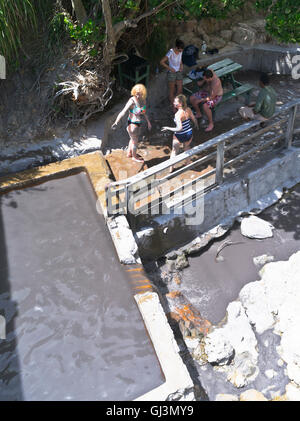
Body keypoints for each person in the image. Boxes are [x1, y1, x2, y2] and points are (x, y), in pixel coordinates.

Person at [111, 83, 151, 163]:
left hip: (137, 123)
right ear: (134, 92)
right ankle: (134, 157)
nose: (138, 96)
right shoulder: (132, 101)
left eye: (140, 94)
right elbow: (123, 111)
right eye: (136, 94)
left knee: (132, 139)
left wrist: (148, 122)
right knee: (135, 142)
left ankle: (129, 153)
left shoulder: (143, 100)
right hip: (132, 124)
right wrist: (116, 121)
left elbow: (143, 113)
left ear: (143, 93)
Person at [161, 94, 198, 172]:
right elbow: (194, 119)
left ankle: (171, 168)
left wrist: (168, 128)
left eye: (175, 102)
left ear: (180, 103)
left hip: (179, 135)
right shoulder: (188, 109)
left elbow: (179, 128)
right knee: (186, 148)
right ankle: (188, 163)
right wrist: (196, 125)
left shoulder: (177, 115)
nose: (174, 103)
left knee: (174, 151)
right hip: (188, 133)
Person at [160, 39, 185, 112]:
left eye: (182, 50)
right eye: (180, 50)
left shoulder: (181, 51)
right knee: (172, 90)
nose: (181, 51)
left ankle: (177, 103)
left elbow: (180, 59)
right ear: (176, 47)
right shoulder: (171, 52)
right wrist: (170, 68)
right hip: (172, 72)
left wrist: (181, 65)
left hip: (178, 71)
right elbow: (161, 62)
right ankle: (173, 106)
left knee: (180, 90)